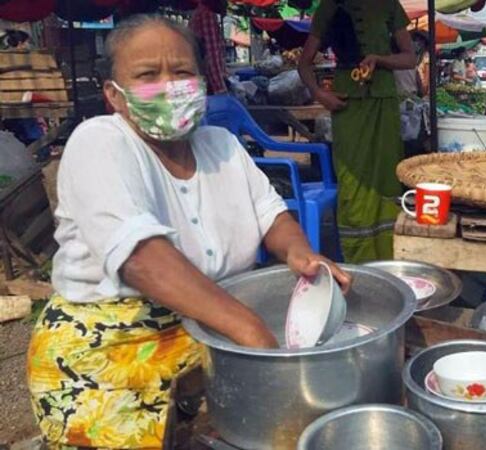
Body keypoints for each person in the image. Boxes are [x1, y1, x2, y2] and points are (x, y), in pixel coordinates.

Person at [26, 15, 351, 449]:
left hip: (205, 338)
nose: (169, 86)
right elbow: (142, 260)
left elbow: (271, 216)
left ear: (201, 81)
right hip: (105, 355)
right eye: (147, 75)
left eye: (181, 72)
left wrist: (300, 252)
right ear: (114, 96)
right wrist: (252, 332)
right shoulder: (100, 142)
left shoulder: (222, 146)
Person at [298, 0, 416, 262]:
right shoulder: (329, 7)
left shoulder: (389, 5)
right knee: (352, 183)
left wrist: (380, 59)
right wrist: (319, 94)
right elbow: (304, 64)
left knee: (387, 176)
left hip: (384, 103)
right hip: (347, 105)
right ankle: (357, 260)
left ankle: (390, 257)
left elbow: (410, 58)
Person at [188, 0, 227, 94]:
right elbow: (212, 55)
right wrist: (220, 89)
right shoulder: (207, 16)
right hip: (208, 83)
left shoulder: (199, 13)